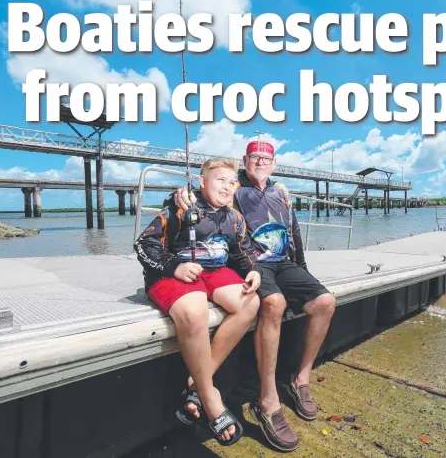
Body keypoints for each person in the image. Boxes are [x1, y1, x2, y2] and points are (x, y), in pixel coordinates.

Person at [171, 140, 336, 452]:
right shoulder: (235, 187)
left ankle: (301, 379)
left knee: (326, 302)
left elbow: (294, 231)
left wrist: (302, 270)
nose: (260, 162)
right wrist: (183, 195)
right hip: (251, 263)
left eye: (266, 158)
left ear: (273, 164)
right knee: (274, 303)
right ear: (245, 161)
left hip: (284, 262)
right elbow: (208, 193)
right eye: (254, 157)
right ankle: (267, 400)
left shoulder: (282, 191)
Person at [134, 157, 262, 446]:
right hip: (174, 271)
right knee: (195, 311)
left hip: (215, 271)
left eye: (232, 182)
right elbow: (144, 244)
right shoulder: (180, 206)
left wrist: (254, 271)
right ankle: (210, 396)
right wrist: (173, 267)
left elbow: (244, 253)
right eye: (220, 180)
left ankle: (197, 383)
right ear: (201, 182)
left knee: (250, 303)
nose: (227, 187)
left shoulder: (234, 218)